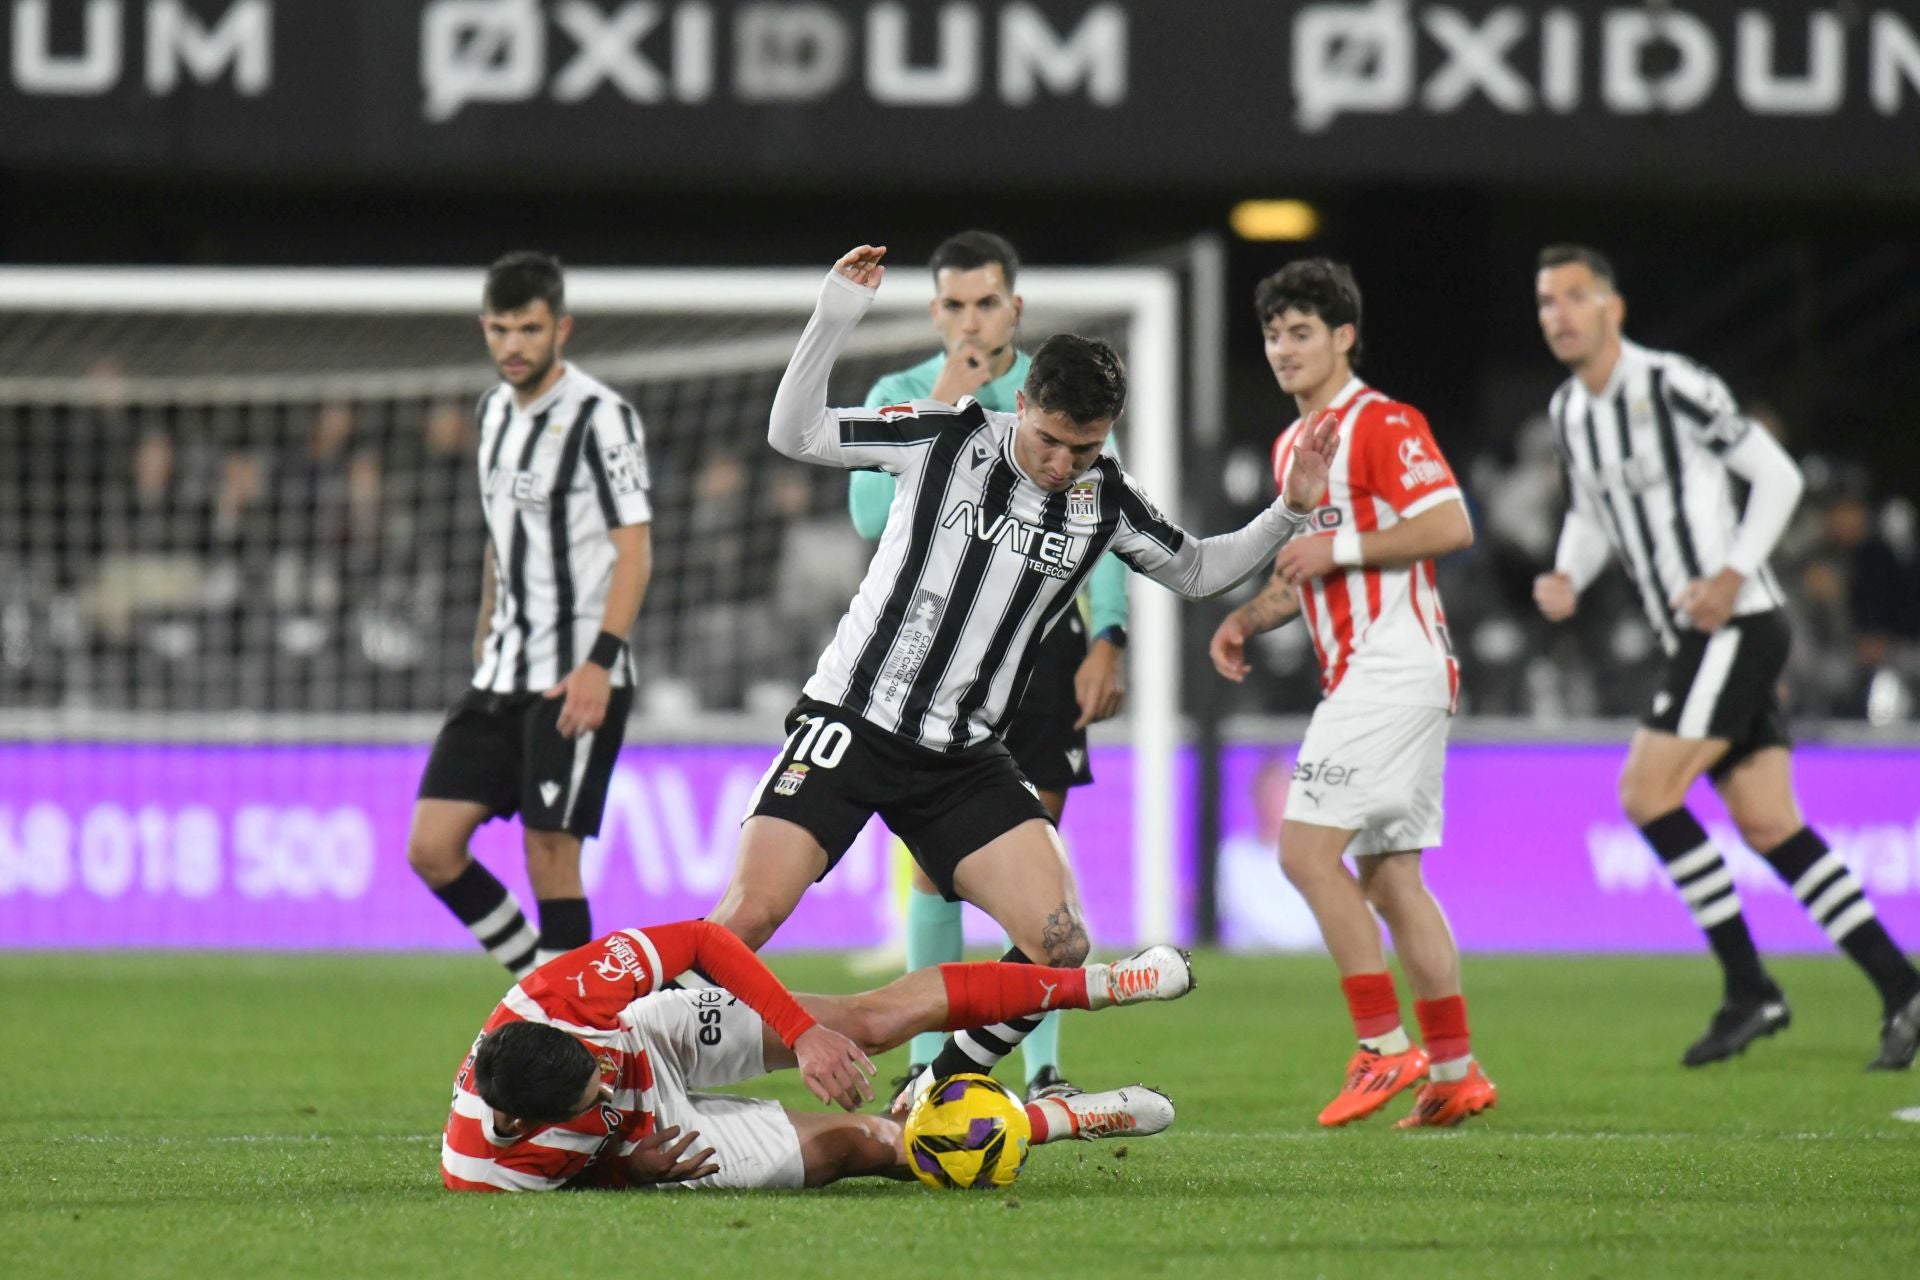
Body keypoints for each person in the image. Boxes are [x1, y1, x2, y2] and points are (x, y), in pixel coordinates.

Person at [704, 244, 1337, 1113]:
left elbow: (1196, 569)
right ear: (1023, 408)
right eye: (1050, 441)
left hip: (962, 758)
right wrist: (834, 316)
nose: (1062, 464)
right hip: (852, 721)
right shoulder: (945, 435)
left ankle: (944, 1079)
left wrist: (1290, 510)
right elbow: (795, 433)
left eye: (1084, 447)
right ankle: (634, 1053)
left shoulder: (1102, 495)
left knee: (1060, 944)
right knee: (744, 921)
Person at [1530, 244, 1920, 1070]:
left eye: (1573, 297)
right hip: (1703, 638)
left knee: (1644, 790)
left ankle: (1750, 988)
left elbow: (1774, 476)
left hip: (1737, 625)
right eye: (1545, 302)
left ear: (1613, 307)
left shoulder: (1673, 384)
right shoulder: (1571, 411)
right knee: (1771, 824)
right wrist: (1569, 570)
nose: (1557, 315)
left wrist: (1733, 571)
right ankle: (1902, 987)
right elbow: (1594, 512)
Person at [1208, 258, 1493, 1129]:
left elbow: (1451, 523)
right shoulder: (1294, 447)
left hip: (1392, 665)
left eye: (1301, 332)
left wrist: (1341, 552)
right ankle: (1453, 1069)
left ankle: (1381, 1045)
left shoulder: (1380, 422)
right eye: (1272, 334)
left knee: (1301, 852)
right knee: (1392, 876)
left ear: (1344, 337)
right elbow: (1308, 567)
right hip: (1374, 670)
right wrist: (1249, 617)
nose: (1283, 348)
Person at [849, 231, 1130, 1103]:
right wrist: (946, 396)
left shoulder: (1054, 397)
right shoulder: (902, 395)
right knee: (936, 867)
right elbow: (866, 515)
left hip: (1043, 656)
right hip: (935, 662)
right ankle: (929, 1066)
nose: (971, 318)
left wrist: (1110, 634)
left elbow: (1105, 522)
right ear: (934, 312)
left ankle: (1041, 1068)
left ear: (1016, 306)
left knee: (1034, 863)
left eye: (986, 302)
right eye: (954, 304)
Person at [440, 920, 1191, 1192]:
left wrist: (803, 1033)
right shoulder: (492, 1171)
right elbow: (579, 1184)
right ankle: (1052, 1119)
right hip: (649, 1146)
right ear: (519, 1121)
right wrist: (623, 1171)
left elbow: (703, 940)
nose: (604, 1082)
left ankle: (1106, 982)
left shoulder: (563, 997)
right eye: (588, 1093)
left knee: (869, 1020)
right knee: (877, 1147)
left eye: (592, 1062)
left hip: (654, 1036)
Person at [405, 251, 655, 978]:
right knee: (432, 845)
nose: (513, 345)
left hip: (576, 671)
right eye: (499, 329)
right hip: (502, 670)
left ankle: (571, 1037)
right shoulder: (489, 415)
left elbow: (634, 551)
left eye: (528, 329)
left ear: (561, 329)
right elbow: (500, 528)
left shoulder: (601, 418)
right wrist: (488, 616)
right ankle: (547, 993)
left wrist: (598, 666)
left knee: (551, 854)